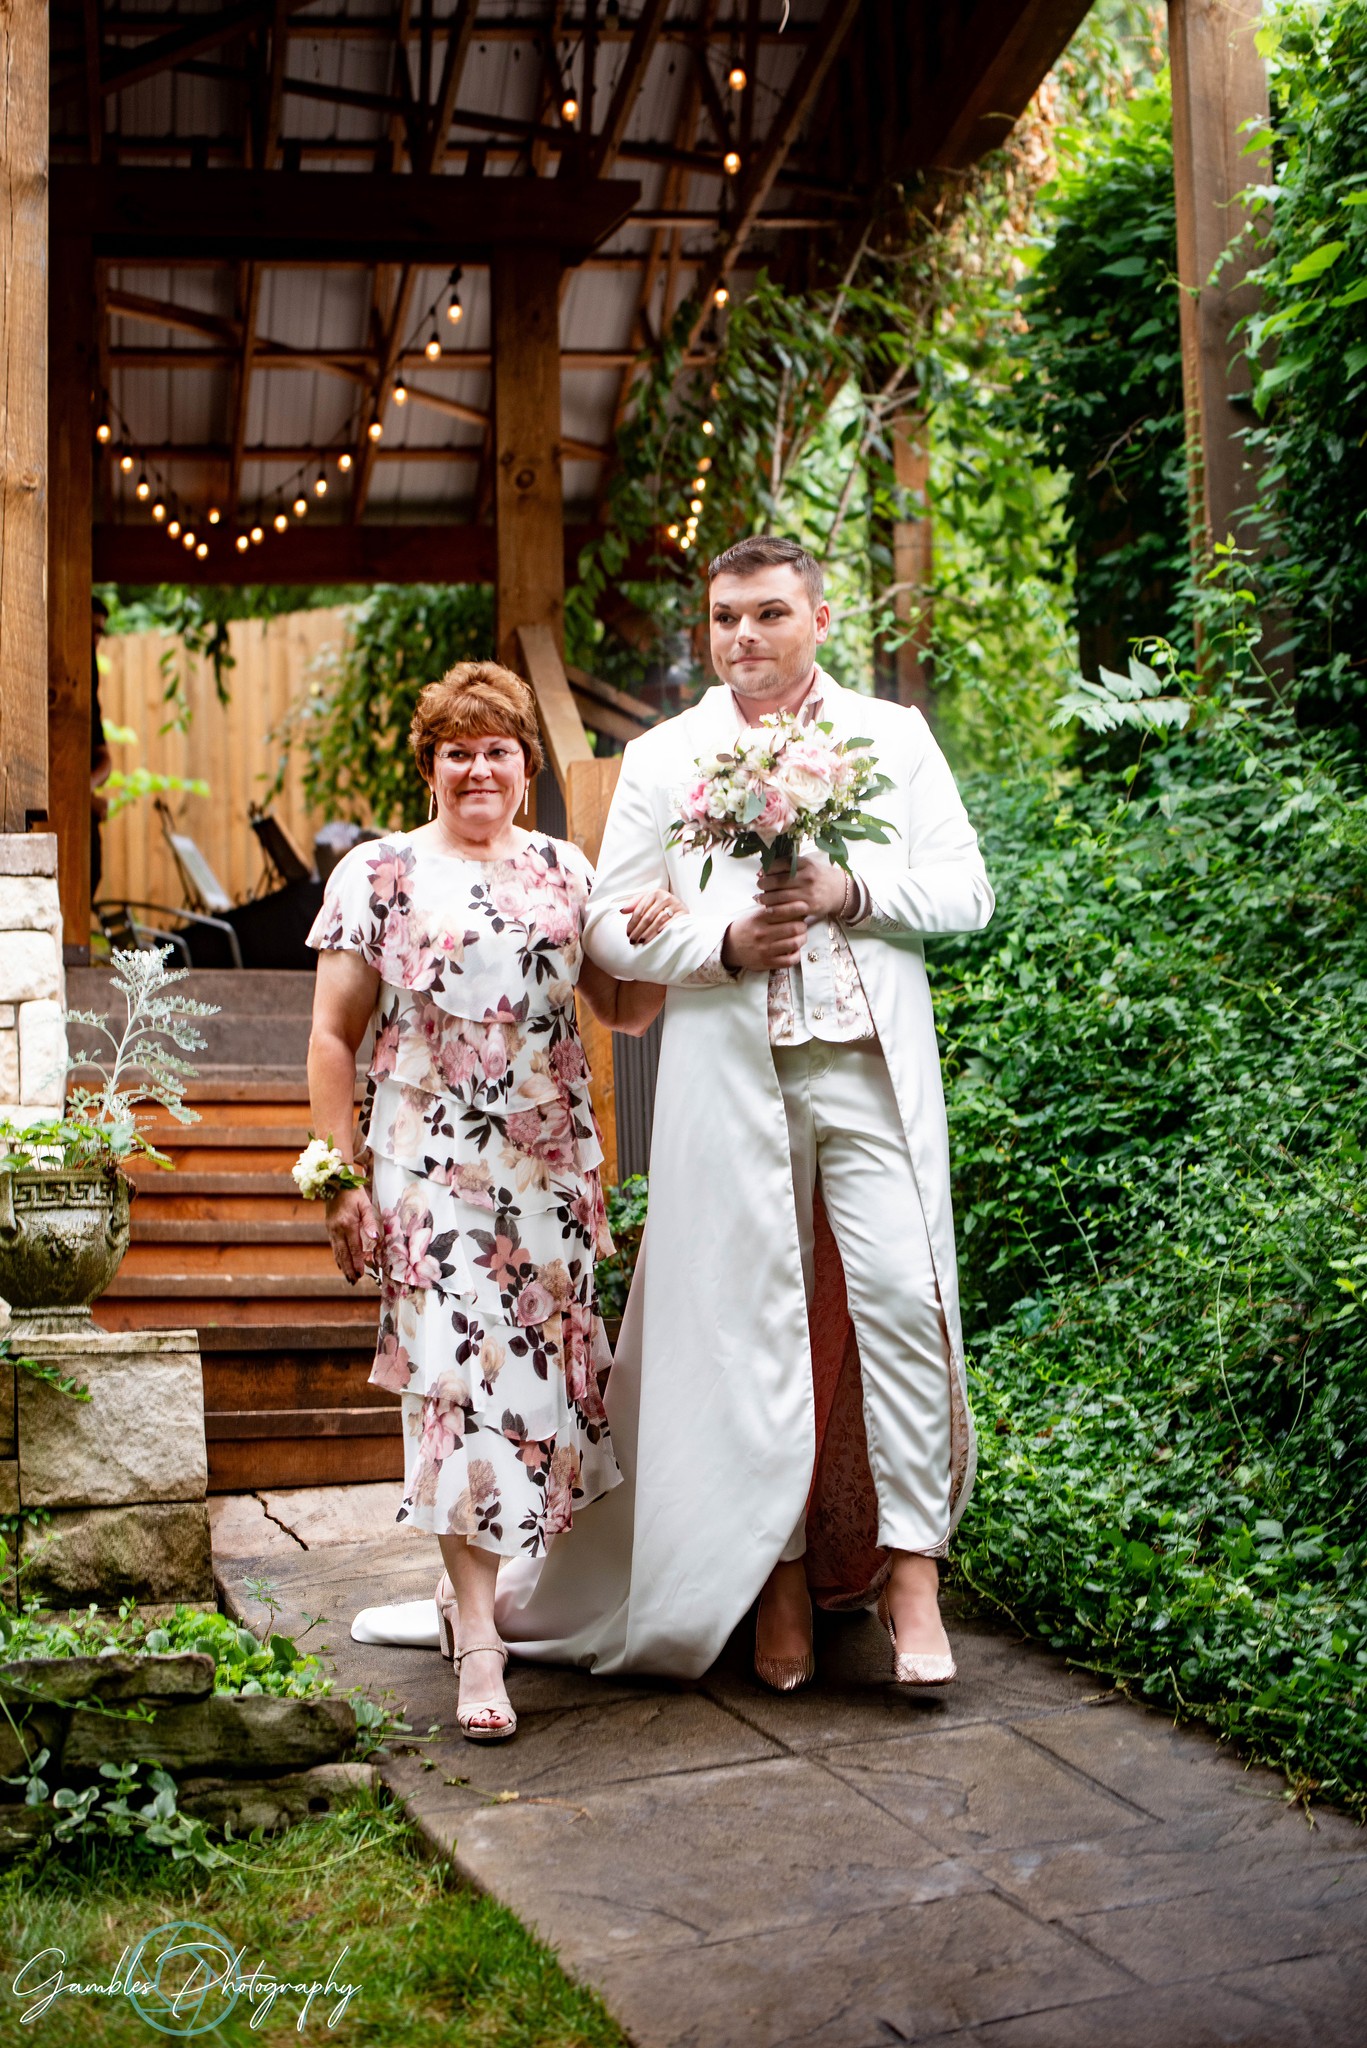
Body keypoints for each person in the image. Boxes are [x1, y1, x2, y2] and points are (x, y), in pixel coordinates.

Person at [489, 534, 994, 1686]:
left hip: (867, 1066)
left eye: (766, 613)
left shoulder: (892, 738)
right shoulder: (669, 754)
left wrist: (850, 892)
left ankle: (910, 1572)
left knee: (901, 1305)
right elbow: (606, 922)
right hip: (731, 1077)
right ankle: (771, 1577)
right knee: (748, 1326)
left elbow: (966, 890)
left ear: (818, 616)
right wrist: (717, 943)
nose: (741, 638)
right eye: (722, 618)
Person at [307, 661, 675, 1740]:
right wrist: (335, 1178)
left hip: (548, 1170)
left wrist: (655, 931)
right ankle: (478, 1636)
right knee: (450, 1383)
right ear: (428, 764)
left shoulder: (566, 867)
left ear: (525, 766)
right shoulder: (377, 873)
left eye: (499, 748)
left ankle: (495, 1587)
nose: (479, 767)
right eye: (457, 749)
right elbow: (334, 1036)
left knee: (545, 1395)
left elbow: (626, 1010)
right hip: (425, 1169)